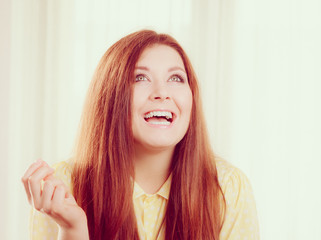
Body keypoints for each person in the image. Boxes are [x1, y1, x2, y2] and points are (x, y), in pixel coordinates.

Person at [21, 30, 259, 240]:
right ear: (110, 96)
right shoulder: (62, 187)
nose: (162, 92)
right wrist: (72, 229)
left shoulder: (227, 188)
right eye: (140, 78)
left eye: (176, 78)